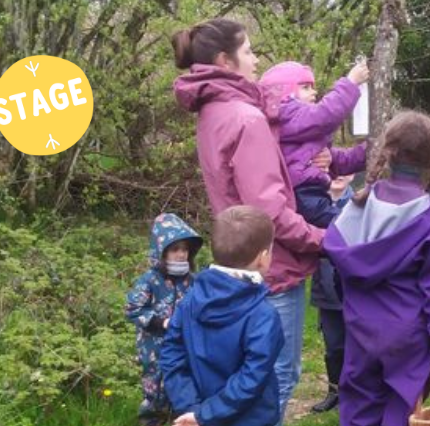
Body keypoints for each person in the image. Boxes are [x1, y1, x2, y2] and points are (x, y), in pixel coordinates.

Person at [170, 19, 325, 423]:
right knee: (276, 378)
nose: (256, 60)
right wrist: (323, 239)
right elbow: (269, 212)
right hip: (270, 265)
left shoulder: (212, 112)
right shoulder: (245, 118)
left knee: (237, 377)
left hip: (232, 260)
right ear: (225, 60)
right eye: (249, 51)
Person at [324, 111, 430, 426]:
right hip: (408, 337)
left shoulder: (358, 205)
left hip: (360, 329)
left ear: (387, 153)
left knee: (359, 404)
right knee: (401, 407)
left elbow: (336, 253)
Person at [160, 206, 284, 426]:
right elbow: (253, 377)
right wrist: (205, 414)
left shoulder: (189, 300)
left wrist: (192, 409)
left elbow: (171, 354)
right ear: (263, 258)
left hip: (197, 413)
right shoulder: (264, 315)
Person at [259, 61, 368, 228]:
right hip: (302, 193)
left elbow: (338, 159)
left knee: (344, 224)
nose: (314, 92)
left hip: (311, 193)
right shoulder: (285, 112)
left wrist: (371, 150)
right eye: (305, 87)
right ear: (284, 92)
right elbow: (324, 116)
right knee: (344, 226)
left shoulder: (301, 132)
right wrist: (350, 83)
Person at [125, 213, 204, 426]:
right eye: (175, 249)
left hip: (185, 346)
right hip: (154, 348)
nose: (181, 254)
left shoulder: (193, 281)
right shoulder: (150, 280)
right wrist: (161, 323)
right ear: (162, 251)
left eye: (185, 249)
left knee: (184, 388)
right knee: (156, 393)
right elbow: (133, 309)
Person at [309, 175, 354, 413]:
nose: (339, 176)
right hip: (325, 290)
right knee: (334, 345)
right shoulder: (312, 202)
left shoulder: (361, 203)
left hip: (353, 288)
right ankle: (334, 392)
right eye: (333, 171)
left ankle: (356, 393)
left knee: (357, 344)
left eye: (344, 171)